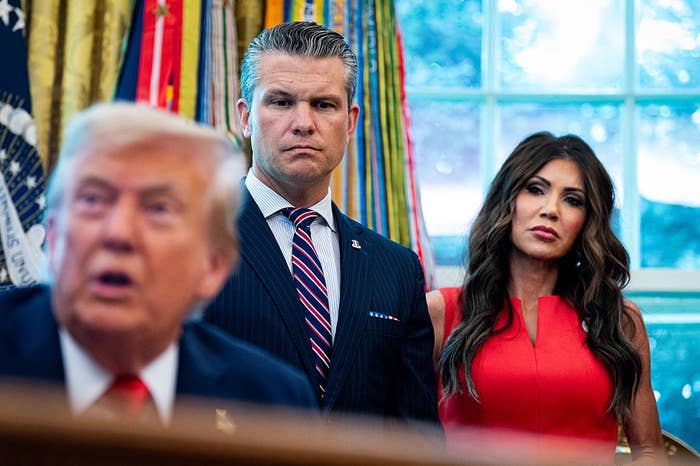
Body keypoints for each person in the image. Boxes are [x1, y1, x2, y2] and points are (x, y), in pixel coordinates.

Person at [0, 102, 317, 425]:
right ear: (53, 237)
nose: (119, 233)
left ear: (212, 266)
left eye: (158, 209)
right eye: (93, 199)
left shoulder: (272, 404)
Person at [204, 21, 439, 426]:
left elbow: (416, 435)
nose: (303, 122)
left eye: (324, 105)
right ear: (245, 117)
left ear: (350, 122)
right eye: (281, 102)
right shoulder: (192, 243)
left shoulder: (397, 269)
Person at [427, 132, 666, 463]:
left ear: (587, 221)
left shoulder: (619, 321)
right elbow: (394, 434)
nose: (551, 210)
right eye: (536, 189)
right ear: (508, 199)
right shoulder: (442, 311)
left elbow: (651, 452)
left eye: (572, 200)